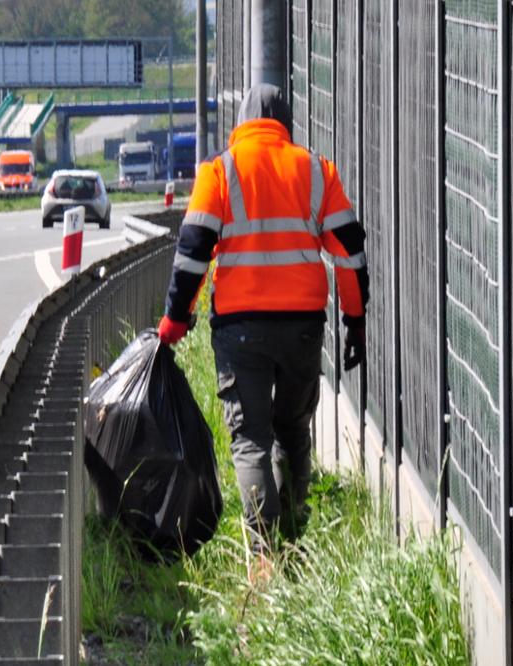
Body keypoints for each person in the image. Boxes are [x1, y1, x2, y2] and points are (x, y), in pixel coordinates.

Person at [157, 83, 369, 545]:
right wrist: (355, 319)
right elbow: (350, 252)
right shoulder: (317, 171)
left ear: (243, 123)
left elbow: (192, 252)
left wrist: (176, 317)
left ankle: (265, 551)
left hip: (240, 328)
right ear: (284, 125)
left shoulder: (220, 171)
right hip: (302, 326)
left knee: (250, 437)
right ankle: (296, 525)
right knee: (292, 428)